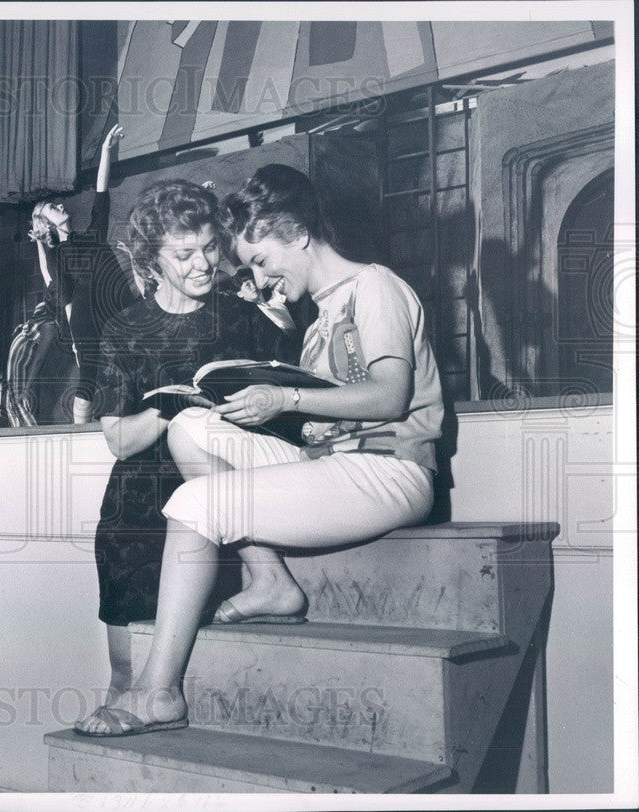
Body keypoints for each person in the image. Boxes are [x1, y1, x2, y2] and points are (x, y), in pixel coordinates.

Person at [75, 163, 443, 737]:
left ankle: (159, 692)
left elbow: (392, 396)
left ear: (296, 233)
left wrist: (283, 396)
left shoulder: (374, 286)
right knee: (188, 429)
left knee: (196, 504)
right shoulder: (322, 312)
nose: (256, 277)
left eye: (261, 261)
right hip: (332, 464)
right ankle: (269, 580)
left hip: (388, 466)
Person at [87, 179, 284, 710]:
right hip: (136, 517)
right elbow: (119, 442)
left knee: (205, 675)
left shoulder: (241, 317)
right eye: (184, 254)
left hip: (221, 508)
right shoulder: (124, 330)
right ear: (152, 260)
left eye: (210, 248)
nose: (203, 264)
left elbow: (286, 413)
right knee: (126, 672)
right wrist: (168, 406)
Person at [29, 124, 139, 424]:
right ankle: (79, 431)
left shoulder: (93, 233)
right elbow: (64, 296)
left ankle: (138, 421)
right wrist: (76, 339)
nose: (60, 204)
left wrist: (106, 150)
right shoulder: (57, 254)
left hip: (118, 303)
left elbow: (102, 193)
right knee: (87, 378)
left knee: (138, 363)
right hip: (86, 316)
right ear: (46, 223)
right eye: (52, 207)